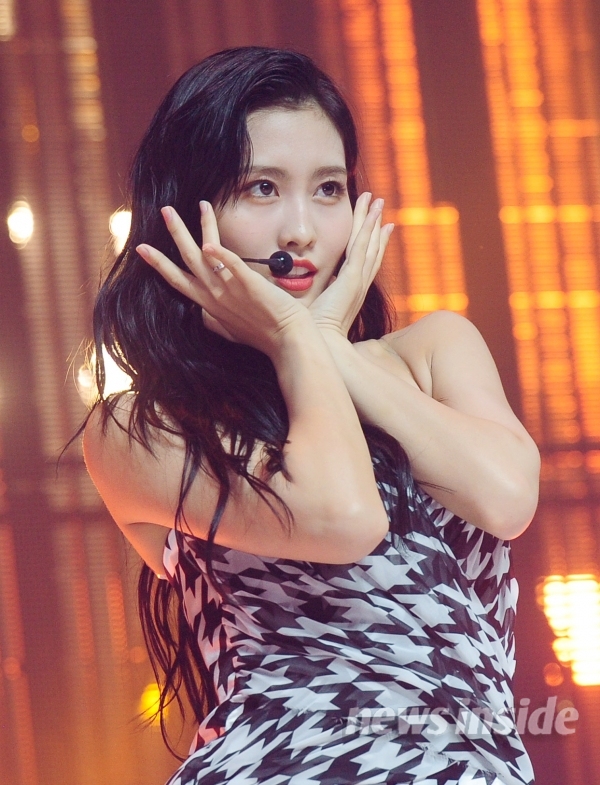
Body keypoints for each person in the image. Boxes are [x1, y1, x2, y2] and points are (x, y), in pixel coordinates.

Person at [82, 46, 539, 785]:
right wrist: (297, 338)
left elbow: (506, 497)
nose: (300, 231)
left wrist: (321, 341)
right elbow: (344, 517)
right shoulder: (142, 428)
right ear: (186, 210)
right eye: (261, 188)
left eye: (328, 190)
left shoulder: (432, 352)